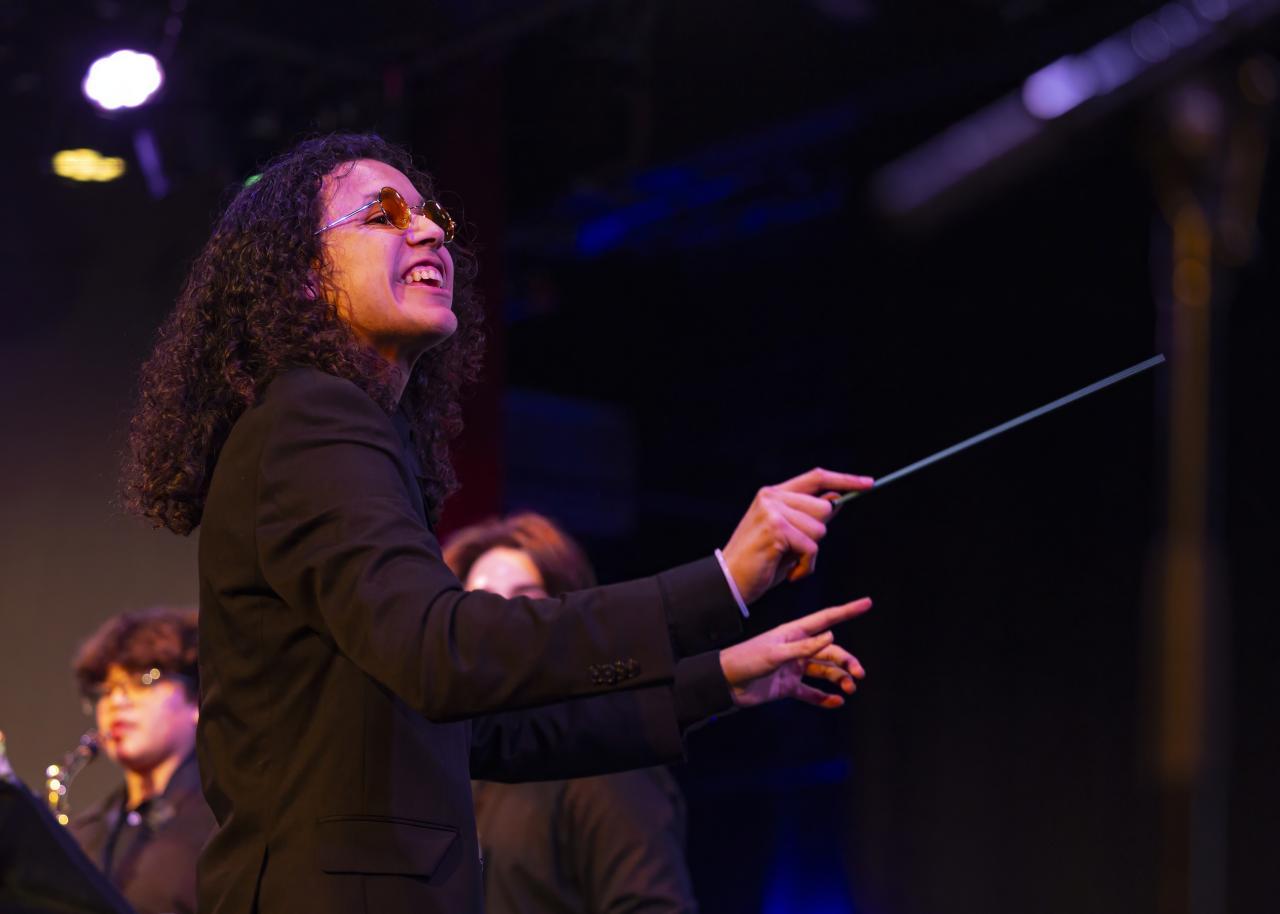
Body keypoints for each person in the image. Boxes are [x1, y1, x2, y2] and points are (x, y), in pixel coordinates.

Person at [121, 133, 874, 914]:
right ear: (303, 278)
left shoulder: (330, 428)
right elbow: (442, 651)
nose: (430, 230)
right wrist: (718, 584)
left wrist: (719, 679)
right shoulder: (312, 417)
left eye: (431, 214)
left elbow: (479, 733)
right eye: (383, 215)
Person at [448, 512, 727, 914]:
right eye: (482, 604)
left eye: (525, 601)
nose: (503, 622)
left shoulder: (603, 763)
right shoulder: (453, 758)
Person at [67, 607, 217, 914]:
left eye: (143, 681)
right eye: (105, 690)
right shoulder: (84, 835)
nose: (116, 702)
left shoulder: (225, 821)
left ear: (197, 700)